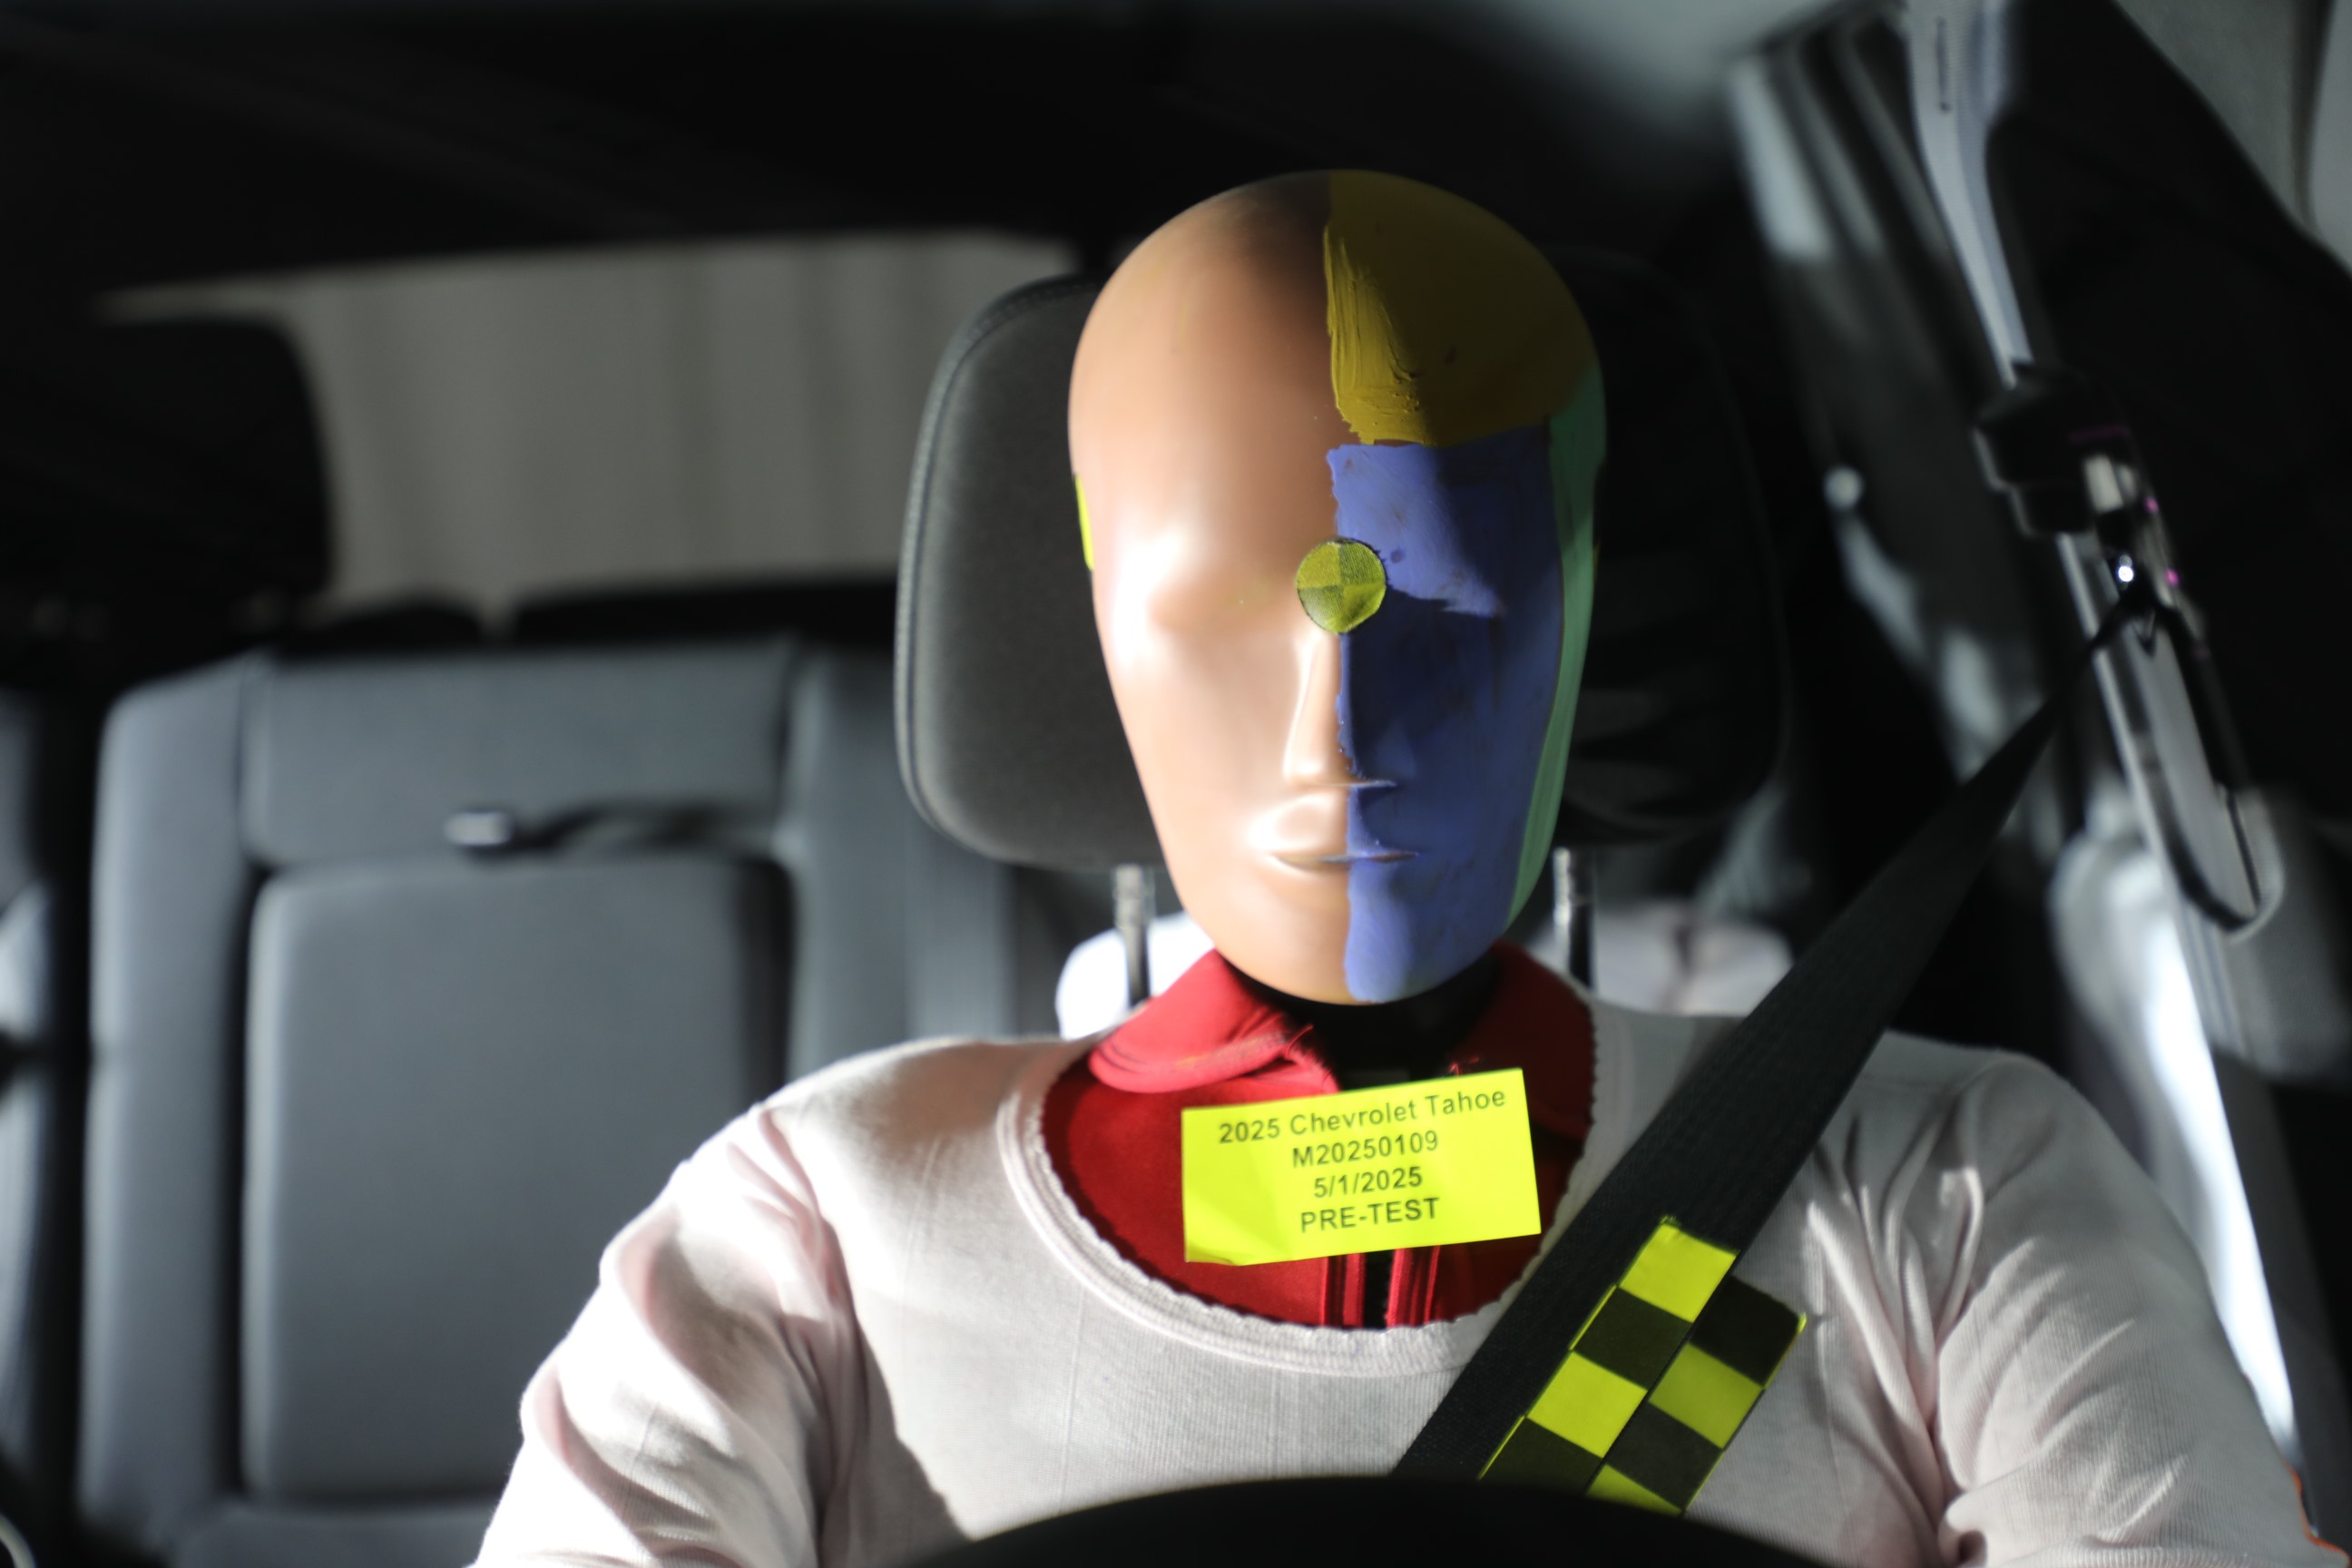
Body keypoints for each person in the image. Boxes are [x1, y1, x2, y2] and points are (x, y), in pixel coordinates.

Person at [474, 172, 2339, 1567]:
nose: (1335, 733)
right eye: (1222, 615)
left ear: (1579, 614)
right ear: (1098, 627)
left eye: (1442, 610)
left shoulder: (1944, 1186)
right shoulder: (819, 1228)